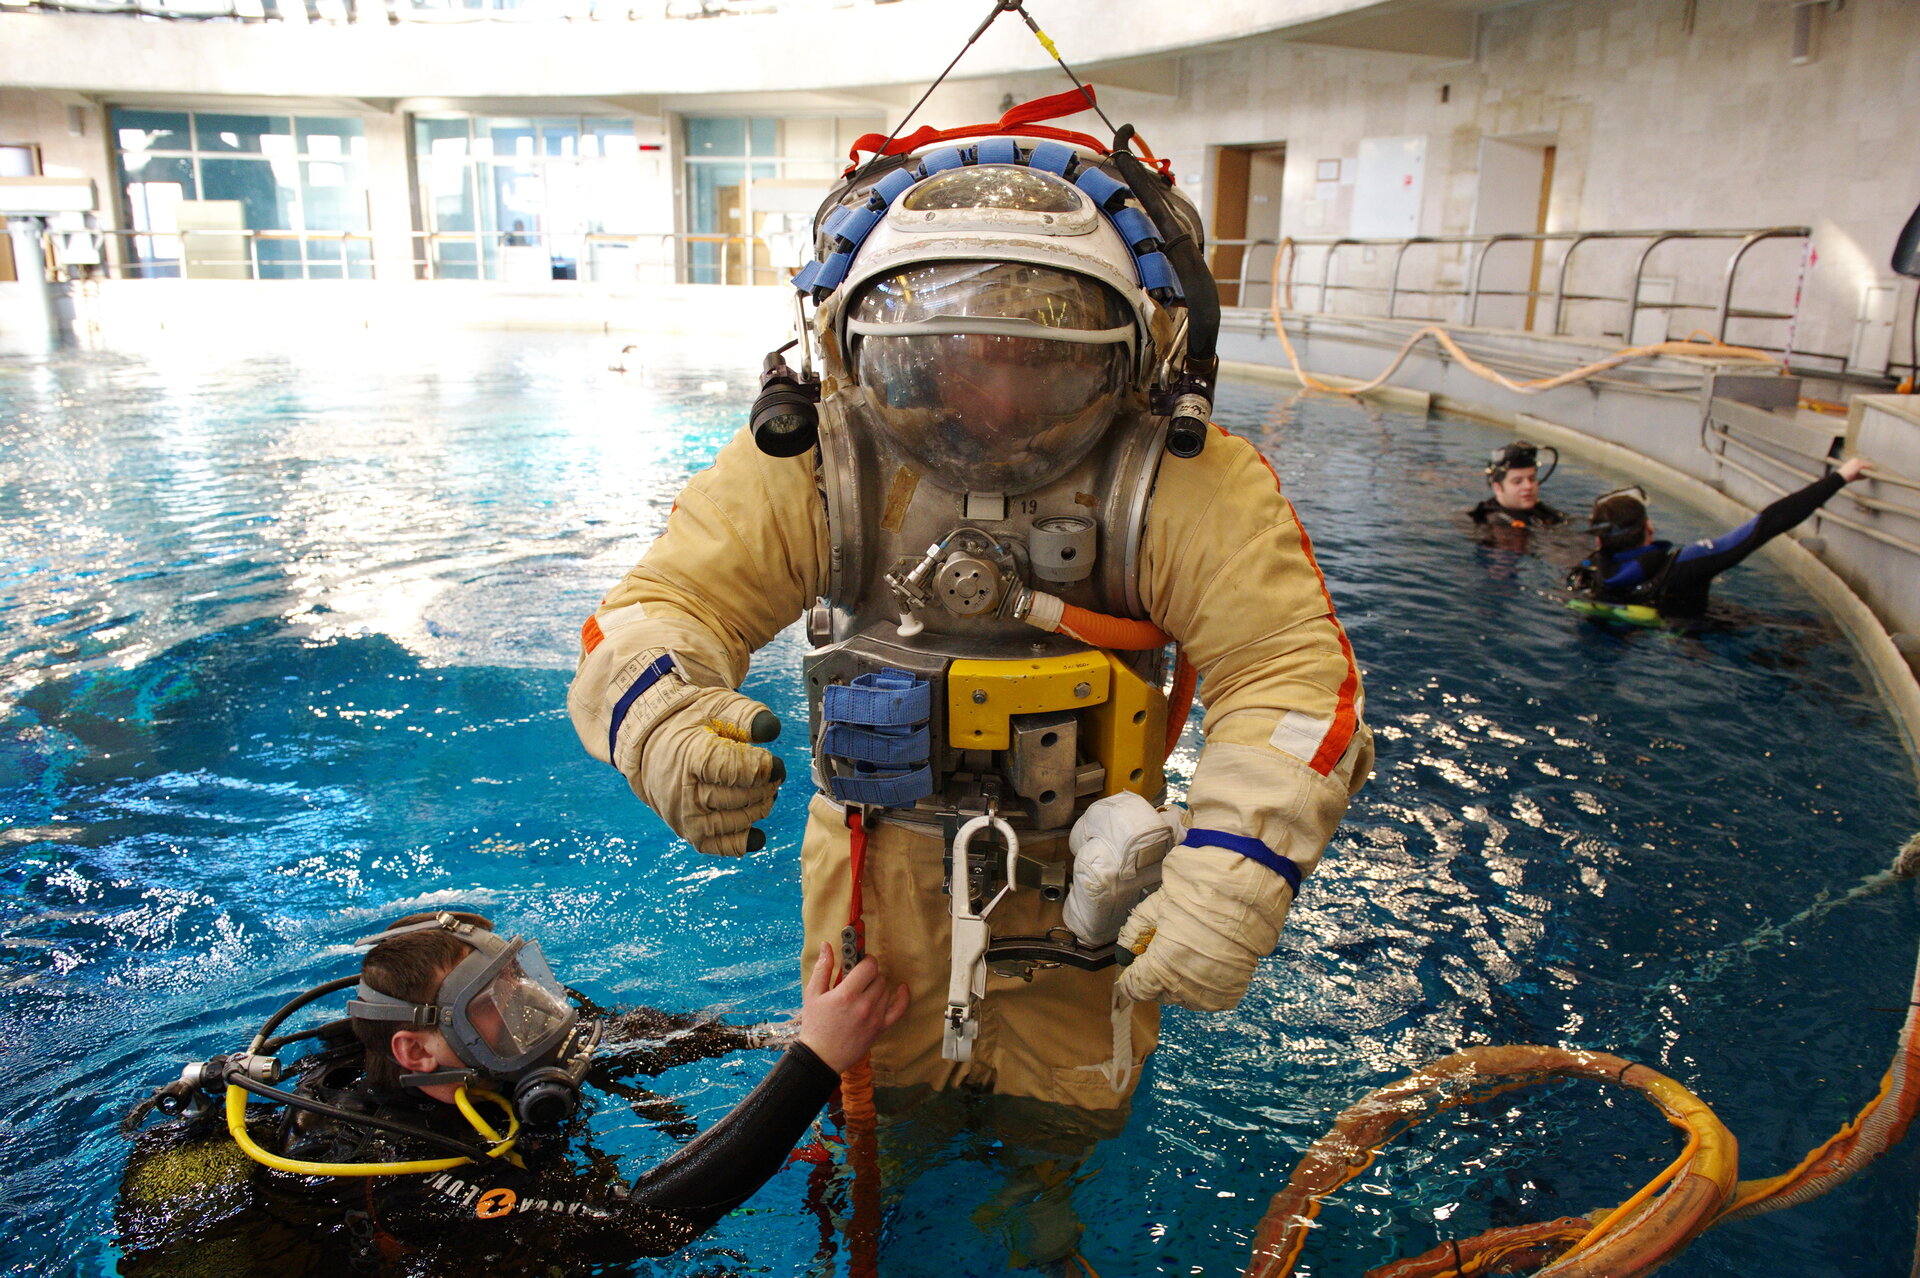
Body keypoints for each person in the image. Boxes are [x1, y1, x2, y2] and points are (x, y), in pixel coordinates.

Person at [566, 124, 1371, 1135]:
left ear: (1126, 355)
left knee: (1064, 1138)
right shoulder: (817, 459)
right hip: (876, 872)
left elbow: (1289, 673)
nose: (991, 400)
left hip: (1093, 871)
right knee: (874, 1125)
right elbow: (663, 609)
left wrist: (1237, 864)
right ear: (856, 351)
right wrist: (663, 723)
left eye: (1035, 361)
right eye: (951, 361)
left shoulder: (1181, 480)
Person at [116, 910, 906, 1275]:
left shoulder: (496, 1059)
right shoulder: (399, 1169)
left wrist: (768, 1033)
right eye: (501, 1003)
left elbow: (633, 1037)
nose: (537, 1015)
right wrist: (811, 1062)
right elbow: (639, 1227)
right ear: (418, 1050)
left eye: (524, 984)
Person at [1568, 457, 1873, 619]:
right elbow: (1765, 525)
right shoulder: (1683, 565)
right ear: (1650, 530)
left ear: (1598, 541)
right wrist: (1841, 476)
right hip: (1703, 636)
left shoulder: (1592, 570)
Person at [1469, 440, 1567, 529]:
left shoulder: (1541, 511)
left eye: (1532, 479)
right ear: (1498, 488)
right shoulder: (1498, 526)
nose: (1528, 486)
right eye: (1517, 481)